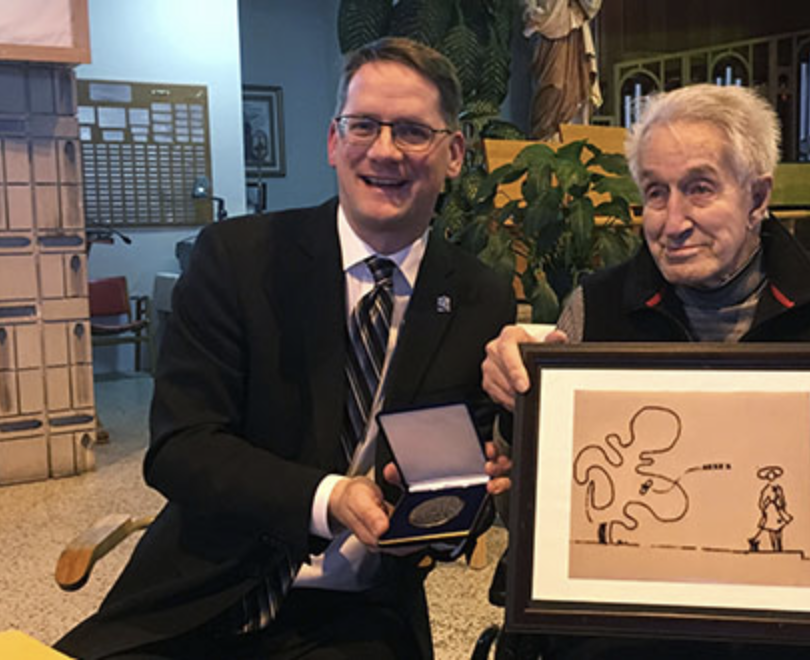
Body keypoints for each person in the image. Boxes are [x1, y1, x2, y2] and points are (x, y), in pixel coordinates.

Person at [58, 38, 515, 660]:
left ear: (454, 153)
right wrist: (329, 499)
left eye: (412, 131)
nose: (384, 150)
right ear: (333, 141)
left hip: (356, 616)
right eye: (363, 126)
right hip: (200, 597)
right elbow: (180, 448)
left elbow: (461, 492)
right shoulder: (236, 260)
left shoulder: (479, 299)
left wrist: (468, 500)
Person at [482, 84, 810, 656]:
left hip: (800, 634)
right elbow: (527, 516)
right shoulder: (595, 308)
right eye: (656, 193)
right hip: (633, 630)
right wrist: (517, 423)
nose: (673, 221)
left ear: (758, 196)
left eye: (700, 189)